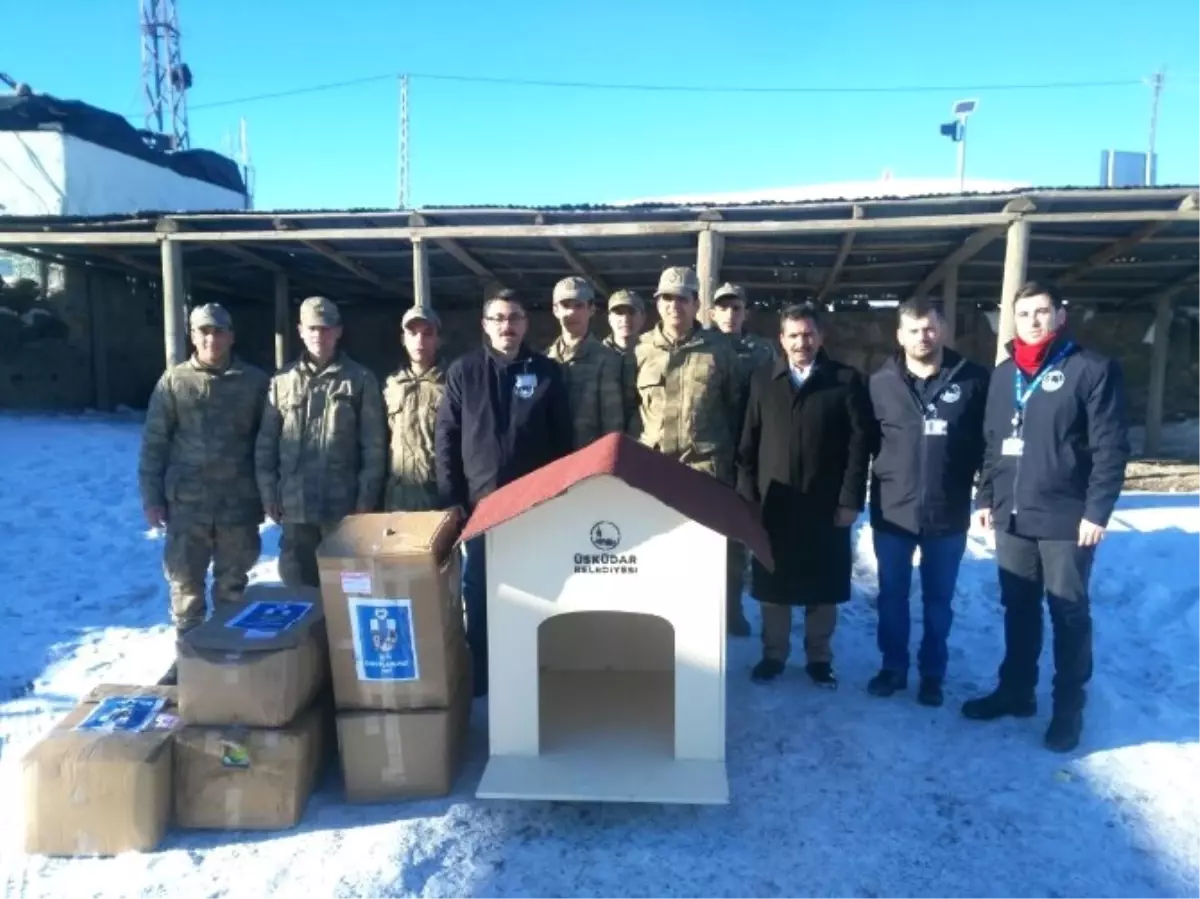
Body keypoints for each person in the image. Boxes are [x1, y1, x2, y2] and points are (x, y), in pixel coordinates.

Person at [965, 281, 1129, 752]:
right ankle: (1016, 691)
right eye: (1024, 314)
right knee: (1018, 607)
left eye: (1042, 312)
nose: (1033, 321)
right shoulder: (1002, 375)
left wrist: (1097, 511)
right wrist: (984, 498)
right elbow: (994, 443)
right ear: (1011, 321)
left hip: (1067, 518)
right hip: (1013, 516)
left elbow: (1111, 448)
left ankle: (1068, 709)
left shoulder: (1091, 370)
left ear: (1060, 315)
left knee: (1068, 613)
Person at [435, 288, 573, 696]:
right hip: (481, 505)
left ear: (525, 324)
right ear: (485, 324)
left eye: (514, 317)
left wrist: (559, 495)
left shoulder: (546, 372)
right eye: (498, 318)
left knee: (535, 586)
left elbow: (563, 441)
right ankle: (482, 672)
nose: (506, 325)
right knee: (478, 590)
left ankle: (534, 668)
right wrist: (451, 497)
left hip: (534, 503)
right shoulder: (464, 372)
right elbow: (447, 435)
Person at [737, 303, 872, 687]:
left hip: (824, 503)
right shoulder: (763, 380)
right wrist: (748, 498)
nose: (801, 342)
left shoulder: (846, 381)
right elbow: (748, 443)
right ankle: (774, 654)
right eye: (793, 335)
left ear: (821, 337)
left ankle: (819, 657)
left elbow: (859, 448)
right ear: (781, 339)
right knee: (772, 585)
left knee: (823, 585)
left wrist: (850, 500)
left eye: (808, 334)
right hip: (774, 503)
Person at [865, 298, 989, 707]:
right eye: (914, 329)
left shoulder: (972, 380)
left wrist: (986, 494)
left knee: (938, 603)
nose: (923, 336)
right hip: (893, 512)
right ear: (899, 335)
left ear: (944, 330)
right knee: (891, 597)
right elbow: (862, 444)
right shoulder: (880, 383)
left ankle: (933, 673)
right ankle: (893, 667)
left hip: (947, 513)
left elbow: (989, 448)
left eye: (931, 327)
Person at [137, 303, 269, 636]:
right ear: (192, 336)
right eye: (203, 331)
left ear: (231, 336)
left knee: (233, 587)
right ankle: (191, 657)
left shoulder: (254, 383)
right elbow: (155, 443)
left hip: (237, 504)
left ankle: (228, 656)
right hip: (187, 505)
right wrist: (152, 498)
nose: (211, 339)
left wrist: (269, 493)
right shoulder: (175, 381)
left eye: (218, 331)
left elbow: (269, 444)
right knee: (185, 587)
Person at [628, 266, 746, 634]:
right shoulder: (640, 349)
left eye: (683, 297)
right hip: (655, 468)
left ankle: (729, 609)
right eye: (667, 297)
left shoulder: (720, 350)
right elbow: (630, 408)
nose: (674, 305)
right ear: (657, 303)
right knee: (658, 547)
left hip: (706, 467)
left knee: (720, 548)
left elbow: (736, 407)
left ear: (697, 304)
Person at [255, 296, 387, 587]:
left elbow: (373, 446)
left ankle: (341, 635)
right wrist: (268, 493)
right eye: (312, 328)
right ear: (300, 330)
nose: (319, 335)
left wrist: (366, 499)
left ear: (338, 331)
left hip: (342, 507)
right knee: (298, 587)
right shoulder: (282, 380)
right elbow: (267, 443)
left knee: (349, 587)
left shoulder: (359, 379)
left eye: (326, 328)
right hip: (295, 505)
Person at [710, 282, 778, 634]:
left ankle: (733, 609)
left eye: (736, 308)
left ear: (746, 312)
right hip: (707, 453)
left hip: (746, 455)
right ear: (711, 313)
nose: (730, 314)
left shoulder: (763, 352)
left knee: (737, 539)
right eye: (723, 307)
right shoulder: (701, 347)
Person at [544, 276, 625, 449]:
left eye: (579, 306)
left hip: (588, 459)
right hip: (551, 461)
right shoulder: (545, 360)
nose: (572, 313)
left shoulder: (607, 359)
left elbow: (612, 423)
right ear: (555, 310)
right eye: (566, 305)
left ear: (591, 309)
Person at [382, 306, 446, 512]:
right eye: (413, 333)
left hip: (439, 496)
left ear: (438, 340)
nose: (420, 341)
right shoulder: (390, 385)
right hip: (398, 498)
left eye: (428, 334)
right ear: (403, 339)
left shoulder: (452, 384)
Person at [602, 288, 647, 427]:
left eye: (632, 312)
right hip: (604, 437)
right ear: (609, 318)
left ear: (643, 317)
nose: (625, 319)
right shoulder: (597, 355)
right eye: (619, 313)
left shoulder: (653, 354)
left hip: (643, 438)